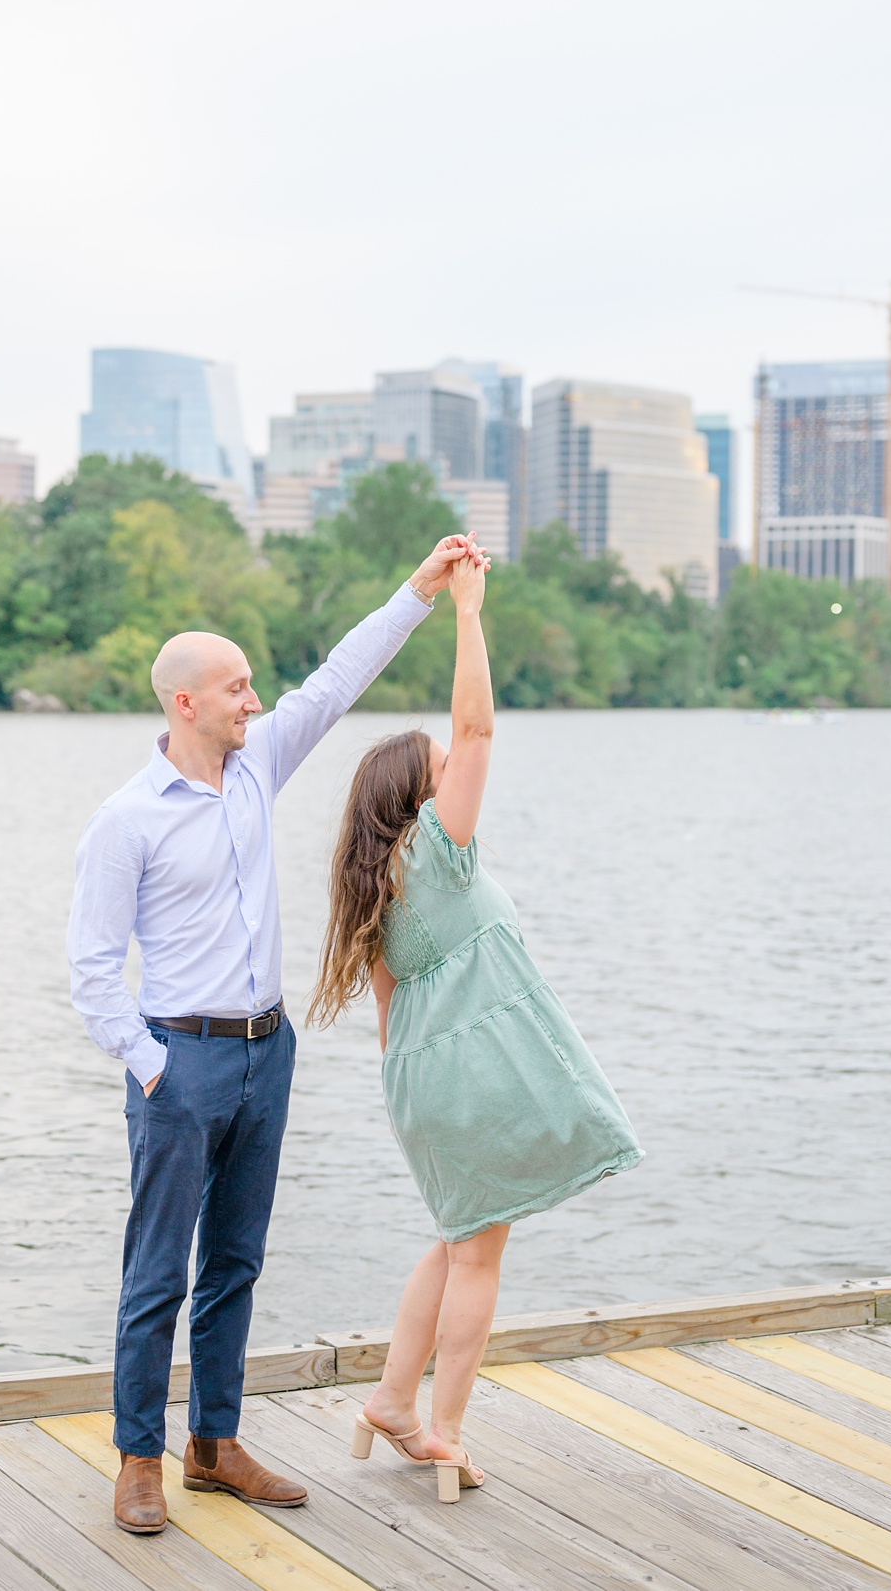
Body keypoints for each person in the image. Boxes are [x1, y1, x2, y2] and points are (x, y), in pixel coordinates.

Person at [67, 532, 484, 1536]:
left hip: (267, 1049)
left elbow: (341, 677)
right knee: (156, 1270)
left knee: (238, 1260)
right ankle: (137, 1459)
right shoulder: (126, 820)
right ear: (186, 704)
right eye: (238, 687)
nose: (255, 700)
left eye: (253, 686)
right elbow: (89, 969)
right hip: (182, 1059)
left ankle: (213, 1445)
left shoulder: (259, 769)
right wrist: (151, 1063)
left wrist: (420, 588)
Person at [311, 549, 641, 1501]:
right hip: (466, 1074)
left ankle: (390, 1399)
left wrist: (414, 1110)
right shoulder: (438, 850)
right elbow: (479, 724)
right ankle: (444, 1426)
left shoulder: (372, 888)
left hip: (418, 1082)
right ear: (418, 798)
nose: (457, 768)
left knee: (458, 1237)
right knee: (481, 1255)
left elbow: (386, 1019)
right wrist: (467, 609)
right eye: (442, 769)